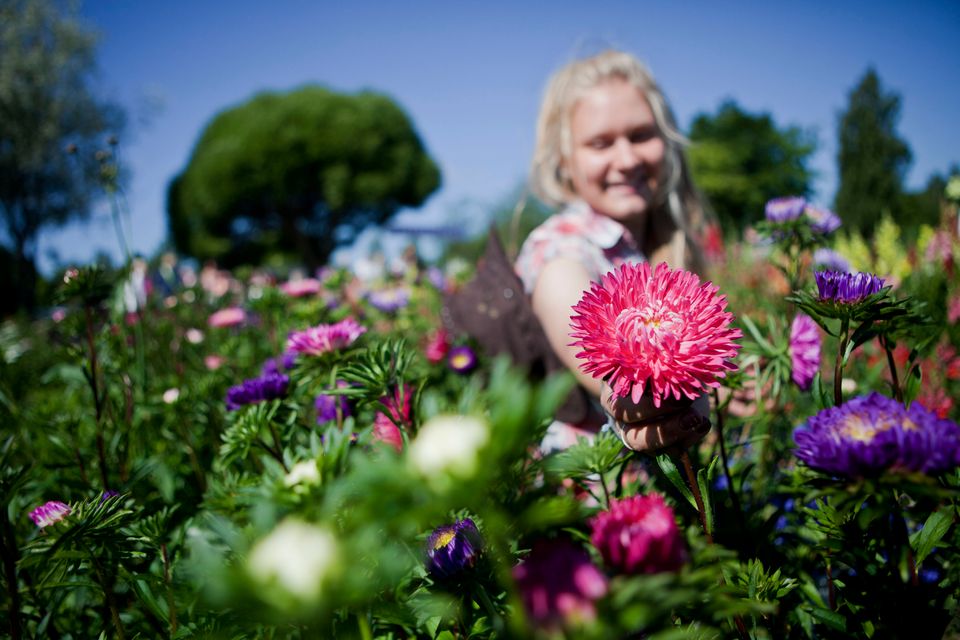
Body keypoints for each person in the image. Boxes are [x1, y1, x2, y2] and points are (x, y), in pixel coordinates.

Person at [515, 49, 712, 454]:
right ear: (564, 161)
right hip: (591, 502)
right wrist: (635, 398)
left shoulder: (663, 246)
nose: (626, 159)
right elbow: (599, 359)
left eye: (640, 135)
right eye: (600, 143)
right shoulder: (559, 250)